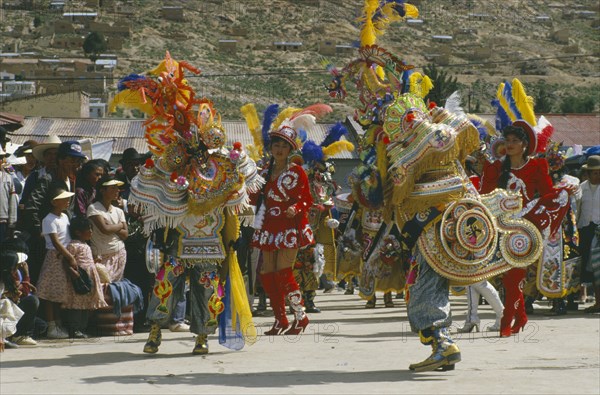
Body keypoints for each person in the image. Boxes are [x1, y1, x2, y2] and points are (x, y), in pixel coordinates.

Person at [479, 122, 572, 337]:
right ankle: (520, 316)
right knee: (507, 276)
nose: (510, 145)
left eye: (515, 141)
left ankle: (506, 323)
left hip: (526, 229)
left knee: (514, 275)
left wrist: (563, 193)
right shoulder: (496, 168)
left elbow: (548, 194)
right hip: (501, 228)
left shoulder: (536, 166)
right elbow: (485, 195)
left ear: (524, 145)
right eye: (507, 140)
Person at [252, 125, 314, 336]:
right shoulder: (264, 171)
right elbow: (254, 197)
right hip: (268, 226)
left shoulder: (297, 172)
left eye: (283, 146)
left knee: (283, 272)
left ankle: (300, 316)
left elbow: (307, 199)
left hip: (289, 227)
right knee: (266, 273)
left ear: (290, 150)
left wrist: (295, 208)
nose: (279, 149)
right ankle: (280, 320)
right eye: (276, 145)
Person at [36, 188, 77, 339]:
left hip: (64, 256)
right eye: (63, 199)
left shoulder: (65, 216)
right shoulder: (48, 219)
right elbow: (55, 241)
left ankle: (59, 324)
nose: (67, 201)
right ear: (54, 202)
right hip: (56, 257)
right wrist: (69, 257)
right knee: (49, 293)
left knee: (58, 293)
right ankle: (51, 326)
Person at [63, 216, 107, 338]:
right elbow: (66, 260)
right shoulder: (73, 245)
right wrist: (72, 272)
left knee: (86, 304)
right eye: (89, 229)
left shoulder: (86, 245)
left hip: (88, 279)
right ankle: (75, 329)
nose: (91, 232)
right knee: (77, 304)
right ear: (78, 232)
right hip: (79, 279)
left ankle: (82, 328)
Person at [87, 176, 128, 283]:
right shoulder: (94, 208)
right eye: (113, 188)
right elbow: (104, 229)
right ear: (102, 190)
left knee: (114, 289)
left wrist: (111, 226)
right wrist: (119, 225)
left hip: (119, 253)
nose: (117, 191)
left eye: (117, 188)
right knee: (100, 287)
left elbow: (125, 234)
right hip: (101, 255)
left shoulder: (119, 211)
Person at [577, 155, 600, 313]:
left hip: (599, 230)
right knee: (587, 266)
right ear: (588, 173)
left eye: (599, 172)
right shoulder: (580, 188)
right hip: (585, 229)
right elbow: (576, 210)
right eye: (594, 173)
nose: (597, 176)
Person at [0, 146, 18, 243]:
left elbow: (12, 202)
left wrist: (12, 223)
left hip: (2, 221)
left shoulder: (8, 177)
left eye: (0, 157)